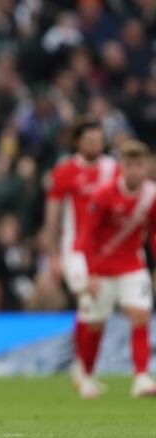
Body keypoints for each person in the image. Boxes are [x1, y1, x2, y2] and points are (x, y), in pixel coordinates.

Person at [43, 118, 118, 399]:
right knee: (88, 300)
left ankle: (84, 367)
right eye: (89, 140)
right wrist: (52, 255)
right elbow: (53, 214)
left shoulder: (113, 168)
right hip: (75, 249)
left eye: (98, 139)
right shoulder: (65, 172)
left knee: (99, 314)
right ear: (78, 142)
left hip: (108, 252)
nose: (94, 144)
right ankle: (84, 372)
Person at [77, 140, 156, 398]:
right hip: (102, 269)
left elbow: (154, 234)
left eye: (139, 165)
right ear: (121, 166)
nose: (134, 170)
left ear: (146, 167)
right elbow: (88, 235)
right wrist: (90, 273)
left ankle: (141, 377)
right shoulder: (103, 194)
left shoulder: (151, 195)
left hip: (133, 265)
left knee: (141, 315)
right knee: (95, 324)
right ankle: (87, 375)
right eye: (129, 165)